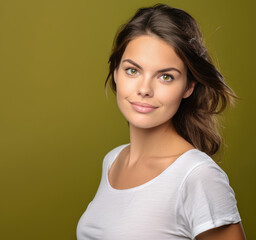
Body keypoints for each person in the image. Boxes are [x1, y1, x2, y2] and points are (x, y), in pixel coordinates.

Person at [76, 4, 246, 240]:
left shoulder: (197, 176)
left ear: (188, 86)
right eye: (132, 70)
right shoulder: (113, 161)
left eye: (166, 77)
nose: (144, 89)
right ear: (115, 72)